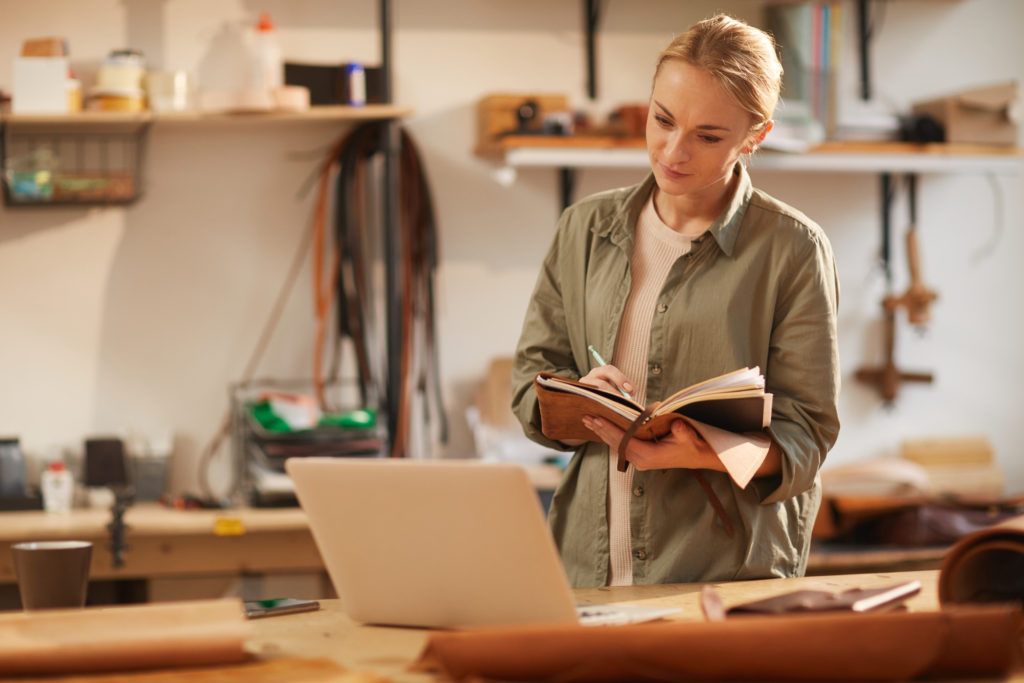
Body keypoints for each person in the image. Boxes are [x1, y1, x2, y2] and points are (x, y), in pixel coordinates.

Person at [510, 14, 840, 588]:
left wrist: (703, 453)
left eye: (708, 136)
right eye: (661, 120)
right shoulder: (584, 229)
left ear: (753, 136)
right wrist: (577, 397)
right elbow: (528, 386)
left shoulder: (793, 249)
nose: (673, 150)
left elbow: (805, 438)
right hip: (586, 570)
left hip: (724, 577)